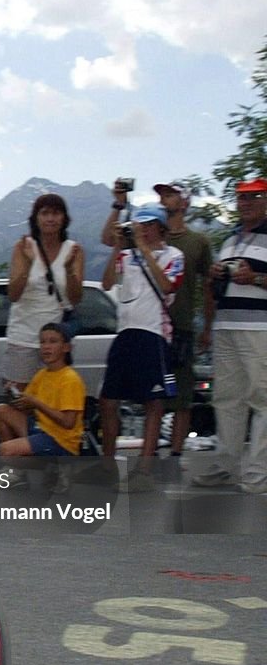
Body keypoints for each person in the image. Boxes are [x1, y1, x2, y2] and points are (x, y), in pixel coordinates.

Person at [99, 205, 184, 492]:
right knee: (108, 400)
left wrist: (144, 250)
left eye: (148, 226)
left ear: (160, 227)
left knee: (154, 403)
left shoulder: (173, 256)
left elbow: (168, 286)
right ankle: (107, 464)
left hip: (153, 334)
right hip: (125, 332)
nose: (143, 231)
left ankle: (145, 469)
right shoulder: (127, 255)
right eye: (139, 226)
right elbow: (107, 282)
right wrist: (118, 248)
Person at [191, 178, 267, 494]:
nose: (246, 203)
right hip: (226, 326)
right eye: (241, 197)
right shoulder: (231, 240)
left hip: (260, 328)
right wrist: (214, 276)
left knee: (263, 399)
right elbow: (215, 289)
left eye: (253, 197)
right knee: (227, 399)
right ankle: (227, 466)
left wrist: (258, 277)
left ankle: (258, 473)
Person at [152, 182, 214, 459]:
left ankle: (176, 454)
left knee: (183, 397)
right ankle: (148, 453)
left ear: (185, 202)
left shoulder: (198, 242)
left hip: (184, 324)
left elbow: (208, 286)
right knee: (152, 394)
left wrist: (208, 327)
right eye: (162, 195)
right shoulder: (150, 236)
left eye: (170, 194)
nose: (165, 199)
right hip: (151, 326)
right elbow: (111, 241)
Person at [4, 193, 84, 391]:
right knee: (19, 400)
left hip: (54, 341)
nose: (50, 219)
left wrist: (67, 270)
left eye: (56, 213)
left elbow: (75, 299)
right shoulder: (23, 247)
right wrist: (29, 262)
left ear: (64, 218)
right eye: (45, 213)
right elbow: (13, 295)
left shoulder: (74, 250)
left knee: (52, 401)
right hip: (22, 336)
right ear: (36, 218)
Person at [0, 322, 85, 463]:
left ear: (66, 347)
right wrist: (15, 395)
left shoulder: (70, 379)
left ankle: (16, 470)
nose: (46, 347)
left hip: (60, 440)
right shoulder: (42, 374)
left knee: (6, 449)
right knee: (0, 411)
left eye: (53, 342)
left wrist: (35, 402)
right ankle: (20, 469)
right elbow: (27, 408)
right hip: (41, 428)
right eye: (42, 342)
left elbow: (68, 422)